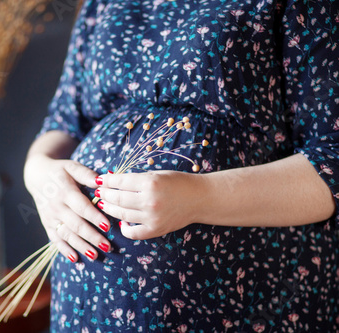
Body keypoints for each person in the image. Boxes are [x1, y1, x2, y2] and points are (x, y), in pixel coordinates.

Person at [24, 0, 339, 331]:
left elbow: (331, 159)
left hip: (243, 299)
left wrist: (198, 198)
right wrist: (40, 174)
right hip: (87, 304)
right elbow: (64, 123)